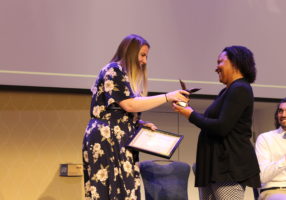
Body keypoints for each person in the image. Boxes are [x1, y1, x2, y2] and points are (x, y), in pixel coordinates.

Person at [81, 34, 189, 200]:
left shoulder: (123, 75)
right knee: (112, 190)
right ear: (130, 53)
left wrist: (138, 124)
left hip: (119, 138)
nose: (145, 61)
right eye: (142, 55)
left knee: (126, 190)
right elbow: (129, 105)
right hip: (107, 140)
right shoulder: (113, 69)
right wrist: (167, 96)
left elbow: (119, 111)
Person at [173, 45, 261, 199]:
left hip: (227, 169)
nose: (216, 68)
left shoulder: (240, 88)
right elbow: (212, 123)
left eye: (220, 61)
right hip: (214, 168)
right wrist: (188, 110)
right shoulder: (227, 91)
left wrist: (190, 114)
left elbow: (221, 127)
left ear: (235, 63)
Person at [255, 97, 286, 200]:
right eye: (280, 111)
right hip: (273, 191)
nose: (283, 115)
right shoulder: (265, 138)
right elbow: (262, 176)